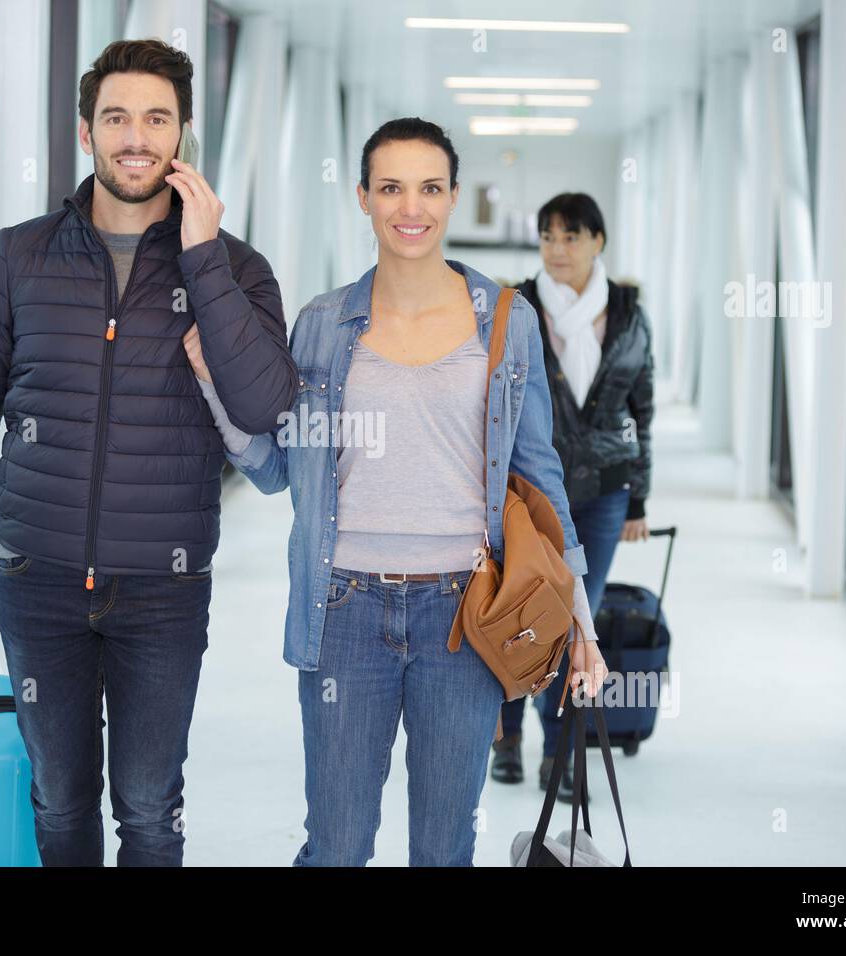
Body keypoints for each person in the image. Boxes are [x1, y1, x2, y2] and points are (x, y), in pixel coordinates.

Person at [0, 38, 296, 866]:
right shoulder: (17, 258)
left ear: (182, 136)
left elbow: (265, 406)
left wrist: (202, 259)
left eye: (157, 119)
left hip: (164, 584)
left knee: (151, 811)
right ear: (86, 132)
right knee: (58, 801)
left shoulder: (236, 267)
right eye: (116, 117)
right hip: (37, 582)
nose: (135, 137)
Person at [186, 118, 607, 866]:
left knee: (444, 850)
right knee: (338, 846)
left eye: (429, 188)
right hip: (344, 610)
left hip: (465, 614)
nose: (410, 207)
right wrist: (215, 385)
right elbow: (279, 467)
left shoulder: (506, 322)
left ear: (450, 198)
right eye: (390, 188)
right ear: (363, 198)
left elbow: (540, 479)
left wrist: (583, 626)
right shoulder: (321, 323)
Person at [490, 192, 655, 802]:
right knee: (521, 610)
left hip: (606, 491)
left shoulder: (630, 312)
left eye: (572, 236)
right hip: (532, 491)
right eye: (548, 237)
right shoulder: (515, 306)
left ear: (598, 242)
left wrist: (638, 498)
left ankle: (557, 751)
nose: (559, 250)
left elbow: (644, 409)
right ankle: (507, 736)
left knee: (574, 618)